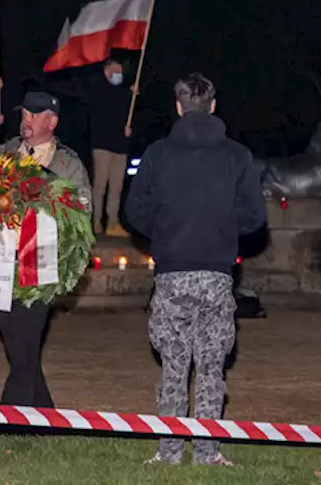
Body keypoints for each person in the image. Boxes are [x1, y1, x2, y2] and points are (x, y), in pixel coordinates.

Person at [124, 73, 266, 467]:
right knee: (210, 366)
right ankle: (207, 452)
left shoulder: (157, 154)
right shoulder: (237, 156)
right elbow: (254, 217)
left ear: (179, 106)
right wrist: (221, 227)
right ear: (214, 106)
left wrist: (165, 231)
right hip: (217, 275)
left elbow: (134, 211)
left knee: (173, 364)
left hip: (171, 273)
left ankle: (169, 452)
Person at [0, 91, 91, 408]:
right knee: (19, 348)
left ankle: (12, 418)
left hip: (42, 264)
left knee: (26, 341)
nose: (26, 120)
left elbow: (82, 215)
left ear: (52, 121)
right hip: (0, 264)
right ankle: (45, 414)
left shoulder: (68, 164)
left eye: (34, 114)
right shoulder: (2, 153)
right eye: (24, 113)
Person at [89, 60, 134, 236]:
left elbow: (126, 115)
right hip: (102, 145)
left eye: (121, 71)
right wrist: (128, 94)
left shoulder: (123, 93)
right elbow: (106, 107)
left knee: (116, 187)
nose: (119, 75)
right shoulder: (99, 90)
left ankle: (113, 223)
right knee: (100, 186)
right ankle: (96, 222)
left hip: (120, 147)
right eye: (116, 70)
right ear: (107, 71)